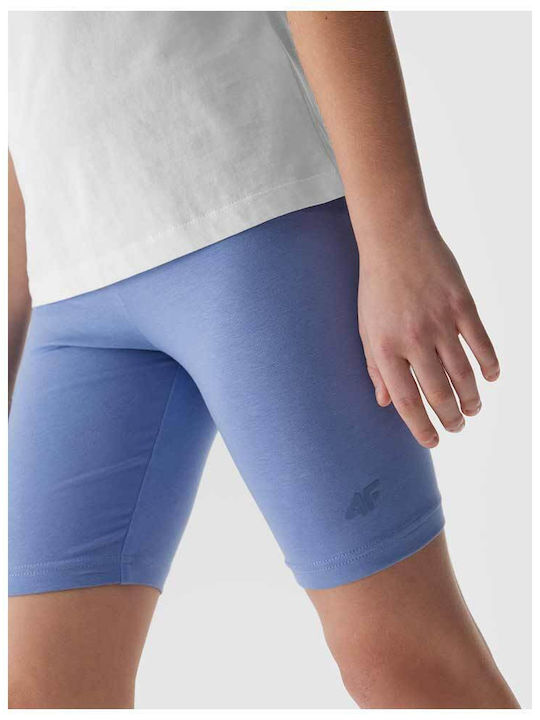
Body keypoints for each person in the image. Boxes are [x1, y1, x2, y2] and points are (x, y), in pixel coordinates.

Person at [8, 11, 519, 709]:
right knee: (41, 693)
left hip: (252, 212)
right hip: (66, 284)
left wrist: (397, 228)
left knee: (400, 656)